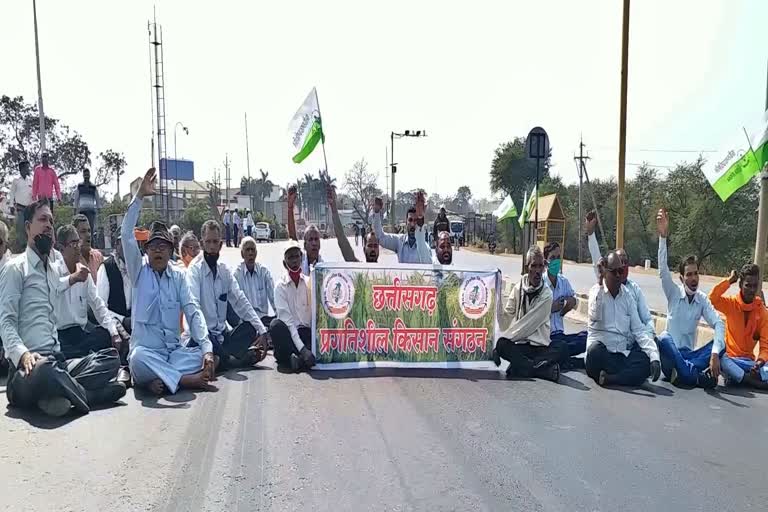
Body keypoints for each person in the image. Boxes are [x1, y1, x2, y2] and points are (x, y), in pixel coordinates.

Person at [0, 199, 125, 417]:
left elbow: (59, 286)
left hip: (58, 360)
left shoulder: (51, 270)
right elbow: (6, 322)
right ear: (28, 227)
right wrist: (23, 355)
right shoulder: (15, 268)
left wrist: (76, 278)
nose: (48, 225)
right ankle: (89, 396)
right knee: (46, 371)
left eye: (51, 220)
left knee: (111, 359)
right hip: (27, 368)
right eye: (42, 219)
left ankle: (56, 396)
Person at [122, 168, 215, 396]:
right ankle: (183, 380)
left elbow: (193, 311)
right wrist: (140, 197)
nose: (158, 251)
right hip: (146, 353)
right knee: (137, 359)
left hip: (173, 354)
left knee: (206, 357)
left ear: (171, 251)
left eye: (163, 247)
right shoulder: (139, 272)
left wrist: (206, 350)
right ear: (146, 251)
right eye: (153, 246)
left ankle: (155, 379)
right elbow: (126, 234)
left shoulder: (179, 277)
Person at [186, 220, 268, 370]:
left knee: (250, 328)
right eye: (208, 242)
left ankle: (224, 359)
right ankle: (232, 361)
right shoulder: (194, 271)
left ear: (220, 244)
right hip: (202, 337)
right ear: (202, 243)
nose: (211, 246)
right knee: (207, 338)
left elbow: (240, 300)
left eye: (215, 242)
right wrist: (206, 343)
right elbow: (194, 308)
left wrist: (262, 330)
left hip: (221, 338)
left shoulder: (224, 271)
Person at [655, 209, 724, 388]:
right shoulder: (673, 292)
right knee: (663, 338)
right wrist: (663, 238)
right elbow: (662, 271)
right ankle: (694, 376)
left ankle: (686, 373)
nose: (693, 278)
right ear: (682, 278)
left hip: (690, 355)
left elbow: (718, 324)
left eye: (696, 274)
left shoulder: (701, 300)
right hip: (670, 357)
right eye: (689, 275)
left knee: (722, 345)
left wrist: (715, 353)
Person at [586, 251, 661, 387]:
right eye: (614, 272)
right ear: (605, 272)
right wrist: (600, 282)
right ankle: (624, 377)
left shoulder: (627, 297)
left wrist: (654, 356)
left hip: (621, 355)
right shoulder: (595, 292)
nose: (618, 276)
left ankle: (611, 378)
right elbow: (595, 316)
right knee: (594, 352)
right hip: (602, 353)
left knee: (644, 361)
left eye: (621, 271)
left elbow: (639, 330)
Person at [492, 246, 562, 381]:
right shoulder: (518, 289)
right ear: (526, 268)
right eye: (534, 266)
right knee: (502, 345)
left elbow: (527, 325)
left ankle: (522, 367)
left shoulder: (547, 294)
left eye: (540, 266)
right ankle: (540, 370)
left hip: (540, 347)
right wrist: (498, 293)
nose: (537, 271)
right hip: (522, 346)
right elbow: (504, 323)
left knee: (561, 348)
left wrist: (502, 344)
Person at [53, 224, 120, 360]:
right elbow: (53, 288)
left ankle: (84, 363)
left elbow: (97, 304)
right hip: (60, 335)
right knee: (58, 352)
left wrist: (113, 332)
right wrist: (72, 279)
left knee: (104, 335)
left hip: (80, 333)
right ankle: (85, 363)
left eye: (79, 242)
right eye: (73, 243)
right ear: (61, 248)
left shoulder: (84, 272)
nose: (78, 247)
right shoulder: (53, 271)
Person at [586, 212, 654, 335]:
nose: (621, 266)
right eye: (618, 262)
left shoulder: (634, 289)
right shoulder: (605, 285)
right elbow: (597, 258)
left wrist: (649, 335)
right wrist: (591, 234)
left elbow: (647, 319)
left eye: (624, 262)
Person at [709, 264, 768, 389]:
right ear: (741, 285)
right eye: (748, 285)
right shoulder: (731, 304)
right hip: (731, 360)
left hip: (751, 363)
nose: (752, 290)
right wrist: (729, 281)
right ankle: (750, 381)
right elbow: (712, 299)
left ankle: (740, 378)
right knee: (721, 358)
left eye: (754, 286)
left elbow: (765, 346)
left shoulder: (762, 311)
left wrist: (759, 363)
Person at [271, 242, 316, 372]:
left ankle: (297, 360)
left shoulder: (309, 282)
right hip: (290, 335)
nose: (294, 261)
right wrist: (302, 349)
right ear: (285, 263)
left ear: (301, 259)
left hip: (306, 334)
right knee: (275, 326)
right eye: (290, 258)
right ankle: (297, 358)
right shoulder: (280, 287)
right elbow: (288, 322)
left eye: (297, 256)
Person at [543, 241, 587, 363]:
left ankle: (560, 357)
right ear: (546, 261)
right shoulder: (541, 284)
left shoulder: (563, 282)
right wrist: (551, 308)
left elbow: (574, 301)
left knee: (588, 337)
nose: (556, 261)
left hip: (561, 335)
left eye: (558, 257)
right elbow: (533, 312)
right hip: (547, 337)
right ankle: (567, 360)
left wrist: (569, 304)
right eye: (552, 258)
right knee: (558, 347)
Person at [325, 180, 379, 263]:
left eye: (375, 246)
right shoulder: (357, 268)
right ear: (364, 248)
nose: (373, 249)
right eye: (370, 245)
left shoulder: (385, 272)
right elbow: (342, 239)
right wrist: (333, 207)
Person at [371, 193, 431, 264]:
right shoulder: (399, 241)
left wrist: (421, 217)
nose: (412, 224)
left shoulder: (425, 247)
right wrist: (377, 212)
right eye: (410, 220)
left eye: (416, 221)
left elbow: (427, 264)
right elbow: (380, 237)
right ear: (406, 222)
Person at [233, 236, 277, 328]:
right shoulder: (236, 275)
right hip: (247, 321)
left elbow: (273, 298)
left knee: (277, 326)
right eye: (247, 250)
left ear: (256, 253)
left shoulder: (264, 272)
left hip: (263, 319)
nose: (250, 253)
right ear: (242, 254)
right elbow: (235, 305)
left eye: (253, 250)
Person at [287, 185, 324, 273]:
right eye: (310, 240)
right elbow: (292, 236)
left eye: (316, 239)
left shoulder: (325, 267)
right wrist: (290, 208)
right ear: (304, 245)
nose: (314, 243)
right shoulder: (299, 261)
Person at [73, 214, 104, 283]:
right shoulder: (72, 258)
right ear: (75, 234)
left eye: (89, 231)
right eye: (83, 231)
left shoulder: (98, 256)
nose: (88, 235)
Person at [10, 160, 33, 252]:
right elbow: (12, 194)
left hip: (30, 208)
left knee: (30, 227)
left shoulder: (30, 181)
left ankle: (31, 247)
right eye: (27, 167)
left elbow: (33, 194)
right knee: (21, 228)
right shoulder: (16, 181)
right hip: (20, 208)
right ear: (22, 169)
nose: (28, 169)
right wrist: (11, 205)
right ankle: (23, 248)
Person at [73, 168, 99, 245]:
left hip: (91, 212)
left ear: (90, 175)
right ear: (83, 175)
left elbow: (97, 198)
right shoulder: (80, 186)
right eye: (85, 174)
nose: (86, 176)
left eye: (87, 174)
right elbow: (76, 198)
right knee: (82, 229)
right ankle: (82, 246)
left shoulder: (93, 187)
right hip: (82, 211)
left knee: (90, 230)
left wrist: (99, 208)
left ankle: (91, 247)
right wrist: (75, 209)